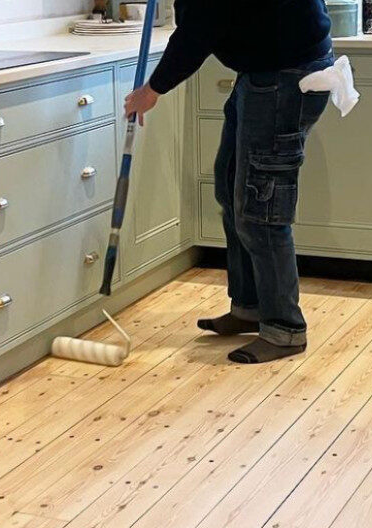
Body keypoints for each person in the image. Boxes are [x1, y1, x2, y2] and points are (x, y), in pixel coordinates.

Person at [124, 0, 334, 364]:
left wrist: (153, 89)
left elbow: (199, 29)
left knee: (260, 209)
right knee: (232, 185)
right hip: (262, 71)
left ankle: (284, 329)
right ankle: (251, 307)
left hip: (283, 77)